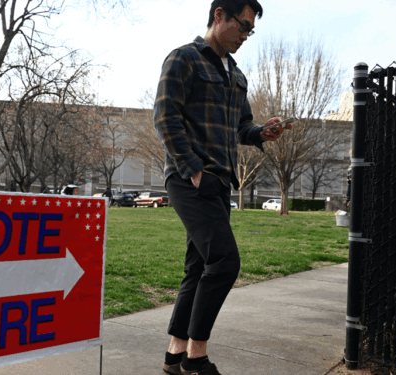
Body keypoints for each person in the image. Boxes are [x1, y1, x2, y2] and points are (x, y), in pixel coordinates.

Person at [153, 1, 292, 374]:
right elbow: (165, 118)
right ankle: (196, 358)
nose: (246, 36)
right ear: (219, 16)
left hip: (220, 182)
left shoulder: (237, 75)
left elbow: (241, 128)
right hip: (190, 179)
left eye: (250, 30)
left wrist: (264, 131)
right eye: (242, 26)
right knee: (225, 262)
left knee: (198, 268)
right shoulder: (184, 59)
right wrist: (193, 169)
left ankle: (174, 354)